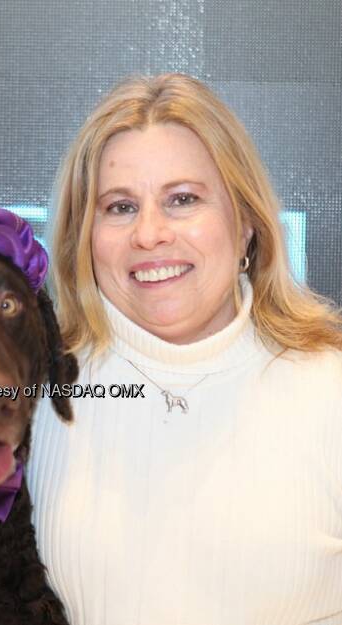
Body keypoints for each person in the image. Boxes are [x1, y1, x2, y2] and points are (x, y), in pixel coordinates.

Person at [26, 73, 342, 625]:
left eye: (183, 199)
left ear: (245, 222)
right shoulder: (24, 399)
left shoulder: (329, 389)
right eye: (120, 207)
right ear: (84, 236)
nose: (149, 234)